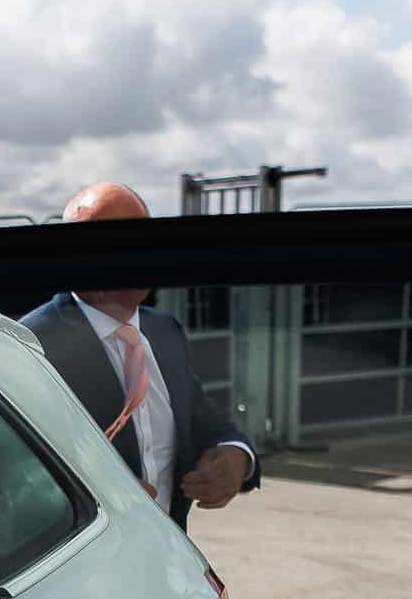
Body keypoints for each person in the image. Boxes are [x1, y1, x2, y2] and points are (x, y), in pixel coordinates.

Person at [20, 182, 260, 531]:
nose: (126, 254)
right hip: (81, 569)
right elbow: (2, 471)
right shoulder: (31, 343)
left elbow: (203, 421)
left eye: (139, 241)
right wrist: (94, 498)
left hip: (170, 553)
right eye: (105, 241)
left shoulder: (165, 333)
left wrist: (238, 456)